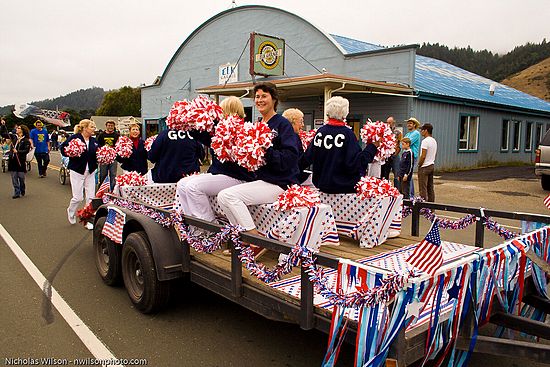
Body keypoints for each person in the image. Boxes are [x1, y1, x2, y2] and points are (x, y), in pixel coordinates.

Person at [217, 83, 301, 257]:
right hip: (263, 180)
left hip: (280, 183)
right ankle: (243, 237)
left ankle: (254, 240)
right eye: (257, 96)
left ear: (274, 99)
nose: (260, 100)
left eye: (264, 96)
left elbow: (291, 158)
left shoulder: (282, 124)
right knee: (222, 197)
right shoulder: (257, 124)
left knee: (228, 196)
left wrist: (266, 150)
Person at [177, 96, 255, 225]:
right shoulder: (220, 129)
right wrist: (191, 121)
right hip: (221, 174)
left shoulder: (243, 129)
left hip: (237, 176)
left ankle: (209, 227)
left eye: (221, 110)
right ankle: (192, 223)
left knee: (193, 187)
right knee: (182, 184)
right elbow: (204, 137)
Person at [302, 96, 378, 194]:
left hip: (322, 187)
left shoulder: (321, 132)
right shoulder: (347, 134)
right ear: (344, 113)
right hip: (343, 189)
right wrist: (372, 147)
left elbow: (308, 157)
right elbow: (355, 163)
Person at [60, 119, 98, 229]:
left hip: (90, 171)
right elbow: (63, 149)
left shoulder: (94, 141)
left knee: (90, 197)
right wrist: (70, 151)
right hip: (77, 171)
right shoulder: (74, 138)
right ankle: (71, 211)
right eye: (92, 126)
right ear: (85, 128)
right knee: (78, 197)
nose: (94, 128)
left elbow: (98, 152)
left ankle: (87, 220)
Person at [8, 125, 31, 198]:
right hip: (12, 161)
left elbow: (26, 150)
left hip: (20, 161)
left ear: (22, 130)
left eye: (18, 128)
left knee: (21, 178)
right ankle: (17, 192)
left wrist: (17, 151)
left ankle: (22, 188)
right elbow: (4, 134)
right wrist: (2, 125)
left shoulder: (26, 141)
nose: (17, 129)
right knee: (14, 178)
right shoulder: (14, 138)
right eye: (17, 128)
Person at [97, 120, 120, 190]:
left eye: (112, 126)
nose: (110, 127)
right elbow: (98, 145)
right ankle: (102, 189)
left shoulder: (117, 135)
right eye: (109, 125)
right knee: (103, 174)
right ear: (106, 126)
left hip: (113, 158)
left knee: (113, 174)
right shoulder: (101, 135)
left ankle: (112, 189)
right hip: (104, 158)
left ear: (114, 127)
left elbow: (119, 145)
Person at [381, 116, 402, 189]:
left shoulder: (398, 132)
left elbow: (399, 145)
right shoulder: (384, 132)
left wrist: (395, 154)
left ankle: (397, 190)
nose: (388, 124)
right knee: (385, 174)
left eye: (389, 122)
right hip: (386, 155)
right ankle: (386, 189)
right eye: (387, 122)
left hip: (394, 155)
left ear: (393, 123)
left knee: (396, 174)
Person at [418, 123, 437, 202]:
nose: (421, 131)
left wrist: (419, 164)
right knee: (430, 188)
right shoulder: (434, 141)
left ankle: (423, 207)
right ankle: (432, 206)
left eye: (422, 130)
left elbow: (423, 155)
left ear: (426, 131)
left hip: (424, 166)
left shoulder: (425, 141)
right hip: (431, 164)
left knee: (423, 188)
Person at [404, 117, 421, 197]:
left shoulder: (416, 133)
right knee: (406, 175)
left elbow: (407, 142)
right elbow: (403, 144)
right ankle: (408, 193)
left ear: (414, 125)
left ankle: (411, 195)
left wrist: (404, 142)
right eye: (408, 123)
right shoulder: (408, 134)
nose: (408, 125)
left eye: (410, 123)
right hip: (406, 155)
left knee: (409, 175)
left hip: (412, 156)